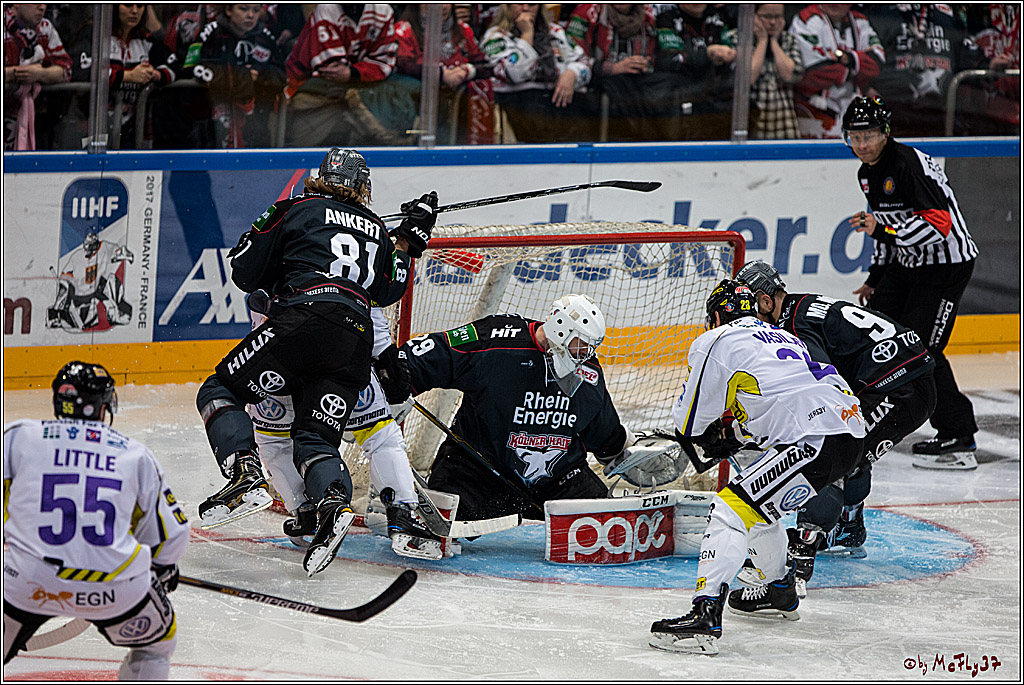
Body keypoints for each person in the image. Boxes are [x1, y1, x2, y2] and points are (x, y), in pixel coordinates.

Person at [194, 148, 438, 577]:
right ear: (362, 188)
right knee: (317, 438)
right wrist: (405, 240)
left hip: (300, 324)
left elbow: (244, 271)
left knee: (219, 390)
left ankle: (246, 473)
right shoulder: (378, 230)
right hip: (354, 343)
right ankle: (332, 505)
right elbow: (389, 289)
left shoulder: (295, 207)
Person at [649, 280, 865, 656]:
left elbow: (689, 423)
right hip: (847, 430)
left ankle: (705, 615)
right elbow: (771, 404)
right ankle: (779, 589)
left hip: (813, 436)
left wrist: (716, 432)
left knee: (729, 509)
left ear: (717, 315)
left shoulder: (717, 339)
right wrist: (734, 431)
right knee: (757, 504)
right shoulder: (784, 337)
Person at [736, 260, 936, 593]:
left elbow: (822, 386)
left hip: (898, 387)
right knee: (852, 449)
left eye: (751, 309)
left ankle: (800, 554)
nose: (750, 321)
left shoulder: (794, 326)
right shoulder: (802, 306)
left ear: (767, 300)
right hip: (907, 381)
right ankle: (848, 526)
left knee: (831, 453)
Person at [4, 361, 189, 679]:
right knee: (156, 646)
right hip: (114, 587)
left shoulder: (19, 437)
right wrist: (159, 569)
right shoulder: (134, 453)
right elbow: (171, 535)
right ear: (104, 406)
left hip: (27, 580)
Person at [386, 294, 635, 521]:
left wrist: (625, 452)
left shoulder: (585, 370)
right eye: (580, 344)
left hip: (557, 480)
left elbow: (601, 428)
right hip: (478, 472)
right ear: (562, 330)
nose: (586, 354)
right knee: (440, 518)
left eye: (590, 347)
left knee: (608, 524)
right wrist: (396, 383)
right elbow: (439, 352)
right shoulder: (498, 342)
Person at [844, 96, 980, 471]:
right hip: (906, 265)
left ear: (886, 133)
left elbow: (939, 224)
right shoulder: (866, 173)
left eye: (869, 135)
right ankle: (867, 420)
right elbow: (888, 231)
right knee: (873, 337)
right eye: (854, 137)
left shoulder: (908, 164)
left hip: (944, 267)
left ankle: (959, 434)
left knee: (922, 352)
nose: (862, 145)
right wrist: (875, 278)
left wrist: (884, 231)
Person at [248, 303, 444, 561]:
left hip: (274, 352)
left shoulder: (279, 265)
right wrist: (385, 355)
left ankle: (304, 512)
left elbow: (253, 286)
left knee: (274, 443)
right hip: (343, 347)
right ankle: (402, 514)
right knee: (380, 435)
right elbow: (370, 301)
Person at [283, 4, 406, 147]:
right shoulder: (327, 8)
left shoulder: (383, 11)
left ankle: (384, 140)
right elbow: (331, 70)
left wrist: (353, 72)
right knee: (351, 93)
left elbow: (384, 63)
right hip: (307, 80)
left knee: (398, 87)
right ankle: (383, 138)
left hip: (354, 81)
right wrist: (362, 72)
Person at [866, 4, 996, 138]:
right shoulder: (881, 11)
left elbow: (966, 50)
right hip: (895, 123)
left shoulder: (946, 13)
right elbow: (870, 59)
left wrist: (989, 65)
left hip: (942, 121)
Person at [481, 3, 595, 143]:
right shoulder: (495, 37)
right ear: (508, 6)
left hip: (560, 105)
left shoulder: (555, 32)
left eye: (532, 4)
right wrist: (527, 34)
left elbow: (585, 62)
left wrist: (572, 74)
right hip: (519, 107)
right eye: (520, 4)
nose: (525, 9)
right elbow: (516, 73)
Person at [394, 4, 495, 145]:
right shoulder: (404, 29)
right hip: (419, 109)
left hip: (460, 110)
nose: (441, 6)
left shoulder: (463, 30)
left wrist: (466, 71)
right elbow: (401, 65)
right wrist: (441, 74)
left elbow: (487, 65)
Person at [190, 3, 286, 148]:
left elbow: (281, 76)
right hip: (211, 124)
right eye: (243, 8)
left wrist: (260, 76)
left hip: (256, 125)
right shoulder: (210, 32)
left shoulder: (266, 38)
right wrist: (240, 77)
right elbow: (189, 66)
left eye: (256, 10)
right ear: (228, 10)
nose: (250, 15)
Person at [565, 4, 658, 142]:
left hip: (638, 85)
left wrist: (647, 63)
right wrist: (613, 68)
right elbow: (570, 56)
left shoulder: (650, 15)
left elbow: (660, 56)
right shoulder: (587, 12)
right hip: (597, 84)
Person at [788, 3, 884, 139]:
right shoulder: (806, 19)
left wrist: (846, 58)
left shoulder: (861, 21)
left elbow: (877, 62)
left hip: (854, 114)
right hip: (815, 113)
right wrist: (857, 66)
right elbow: (813, 72)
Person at [651, 3, 737, 141]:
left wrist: (729, 55)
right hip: (678, 102)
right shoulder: (667, 19)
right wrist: (707, 54)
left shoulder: (717, 18)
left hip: (714, 103)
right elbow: (671, 61)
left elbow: (731, 53)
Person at [3, 3, 72, 150]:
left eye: (45, 3)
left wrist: (39, 74)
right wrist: (14, 73)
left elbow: (65, 71)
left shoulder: (45, 28)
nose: (42, 7)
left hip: (31, 118)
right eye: (36, 2)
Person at [46, 231, 135, 332]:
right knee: (65, 287)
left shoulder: (105, 247)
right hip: (82, 295)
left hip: (98, 291)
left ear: (95, 246)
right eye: (85, 247)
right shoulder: (77, 256)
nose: (86, 250)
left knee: (112, 280)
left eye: (89, 247)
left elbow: (119, 251)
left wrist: (126, 255)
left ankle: (116, 313)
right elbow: (65, 276)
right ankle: (55, 315)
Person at [748, 3, 804, 139]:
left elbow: (789, 75)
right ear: (754, 17)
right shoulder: (740, 39)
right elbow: (748, 78)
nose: (773, 22)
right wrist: (762, 41)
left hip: (785, 128)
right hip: (753, 127)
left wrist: (773, 41)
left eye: (777, 16)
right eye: (767, 17)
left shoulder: (789, 40)